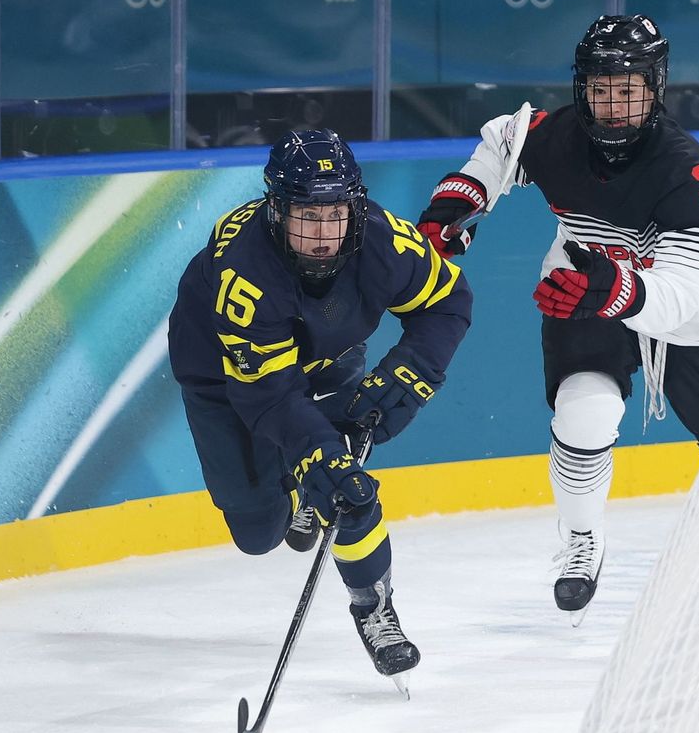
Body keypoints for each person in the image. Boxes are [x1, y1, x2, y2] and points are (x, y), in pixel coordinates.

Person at [414, 14, 699, 623]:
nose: (614, 106)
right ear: (582, 88)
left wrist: (610, 286)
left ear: (655, 88)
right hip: (579, 289)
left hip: (687, 315)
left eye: (629, 90)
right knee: (583, 413)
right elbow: (501, 146)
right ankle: (581, 540)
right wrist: (456, 205)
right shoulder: (557, 136)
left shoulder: (688, 174)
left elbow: (681, 294)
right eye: (601, 89)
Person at [168, 129, 473, 681]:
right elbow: (268, 395)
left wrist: (414, 371)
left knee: (344, 487)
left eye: (335, 215)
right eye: (307, 216)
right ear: (276, 211)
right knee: (257, 533)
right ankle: (297, 482)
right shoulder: (245, 273)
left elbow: (448, 301)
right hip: (227, 374)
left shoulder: (383, 241)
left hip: (328, 354)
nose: (323, 235)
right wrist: (315, 451)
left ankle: (374, 606)